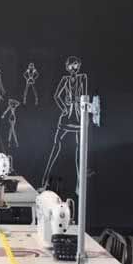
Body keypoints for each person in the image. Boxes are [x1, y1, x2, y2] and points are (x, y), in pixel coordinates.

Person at [41, 56, 87, 188]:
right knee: (57, 143)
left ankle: (80, 183)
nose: (74, 68)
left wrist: (78, 104)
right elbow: (56, 96)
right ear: (68, 67)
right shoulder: (65, 79)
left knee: (80, 148)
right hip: (68, 115)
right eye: (72, 66)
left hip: (78, 115)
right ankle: (45, 179)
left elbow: (84, 96)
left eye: (77, 65)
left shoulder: (82, 78)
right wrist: (64, 107)